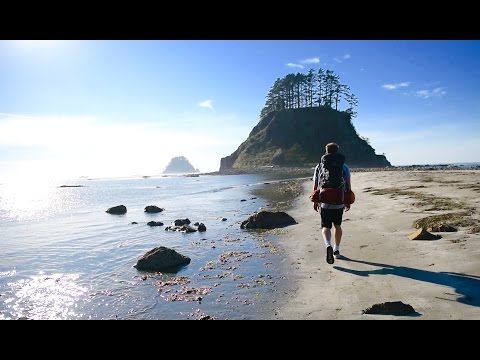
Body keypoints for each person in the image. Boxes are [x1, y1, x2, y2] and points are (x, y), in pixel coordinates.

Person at [312, 142, 351, 264]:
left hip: (324, 201)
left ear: (326, 151)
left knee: (325, 227)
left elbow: (315, 185)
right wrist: (348, 201)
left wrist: (315, 200)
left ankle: (328, 245)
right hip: (339, 199)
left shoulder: (320, 166)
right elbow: (348, 184)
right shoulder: (344, 166)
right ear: (337, 151)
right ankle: (336, 250)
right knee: (338, 225)